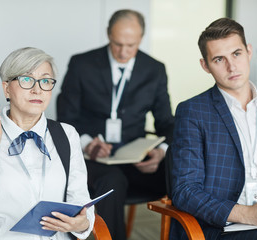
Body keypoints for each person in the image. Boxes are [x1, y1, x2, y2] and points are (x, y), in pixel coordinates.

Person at [57, 9, 174, 240]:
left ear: (141, 38)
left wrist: (161, 152)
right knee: (112, 181)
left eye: (130, 45)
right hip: (91, 160)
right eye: (117, 43)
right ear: (108, 34)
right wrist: (87, 144)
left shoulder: (154, 70)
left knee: (179, 171)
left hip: (134, 159)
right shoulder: (82, 64)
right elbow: (65, 117)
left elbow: (166, 122)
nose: (123, 52)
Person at [0, 47, 94, 239]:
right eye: (27, 79)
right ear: (6, 89)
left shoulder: (67, 135)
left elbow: (80, 200)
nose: (38, 89)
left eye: (45, 81)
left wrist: (82, 223)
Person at [171, 17, 257, 239]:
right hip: (229, 228)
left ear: (248, 52)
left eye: (236, 54)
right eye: (219, 59)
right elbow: (185, 191)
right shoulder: (193, 112)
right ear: (205, 65)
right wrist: (248, 214)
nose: (232, 66)